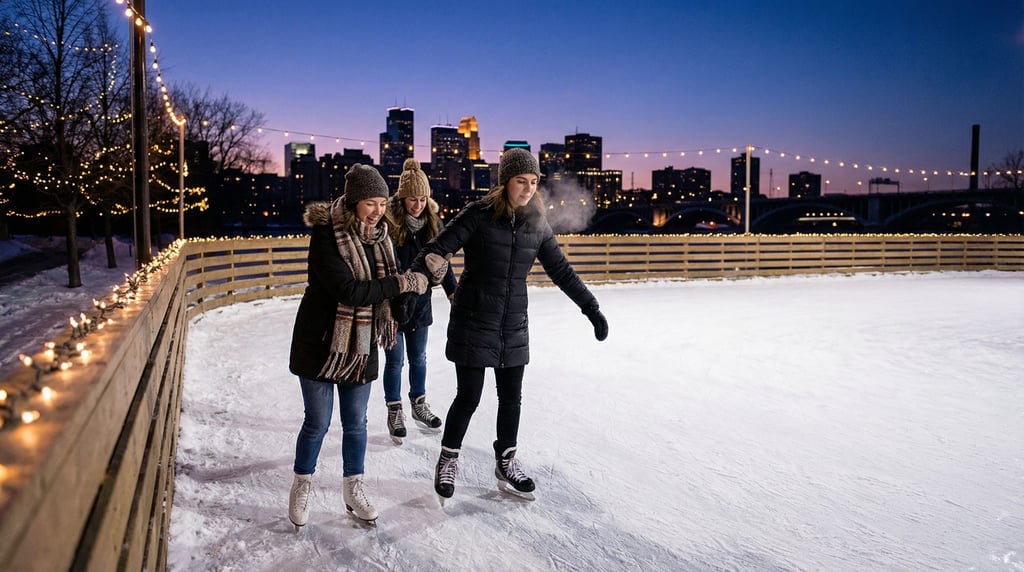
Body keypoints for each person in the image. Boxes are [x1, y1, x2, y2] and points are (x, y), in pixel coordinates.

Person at [408, 148, 609, 502]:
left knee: (511, 398)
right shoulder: (479, 215)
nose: (529, 189)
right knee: (468, 396)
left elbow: (561, 271)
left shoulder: (537, 223)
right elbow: (437, 250)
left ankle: (506, 462)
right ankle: (448, 459)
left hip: (513, 323)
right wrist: (412, 287)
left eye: (534, 182)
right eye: (521, 181)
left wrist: (590, 308)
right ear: (505, 182)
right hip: (473, 318)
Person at [286, 163, 442, 527]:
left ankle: (352, 487)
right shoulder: (327, 234)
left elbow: (394, 304)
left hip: (362, 346)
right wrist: (402, 283)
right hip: (320, 343)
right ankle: (302, 484)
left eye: (383, 203)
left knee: (356, 423)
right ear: (354, 201)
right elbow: (349, 291)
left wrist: (424, 282)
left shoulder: (383, 240)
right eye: (370, 203)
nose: (377, 211)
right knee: (317, 422)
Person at [382, 158, 457, 443]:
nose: (417, 205)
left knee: (419, 358)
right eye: (412, 199)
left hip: (421, 306)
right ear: (402, 198)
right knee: (395, 361)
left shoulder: (433, 226)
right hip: (392, 305)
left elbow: (443, 263)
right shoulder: (389, 225)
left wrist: (453, 294)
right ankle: (395, 409)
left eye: (423, 198)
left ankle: (419, 404)